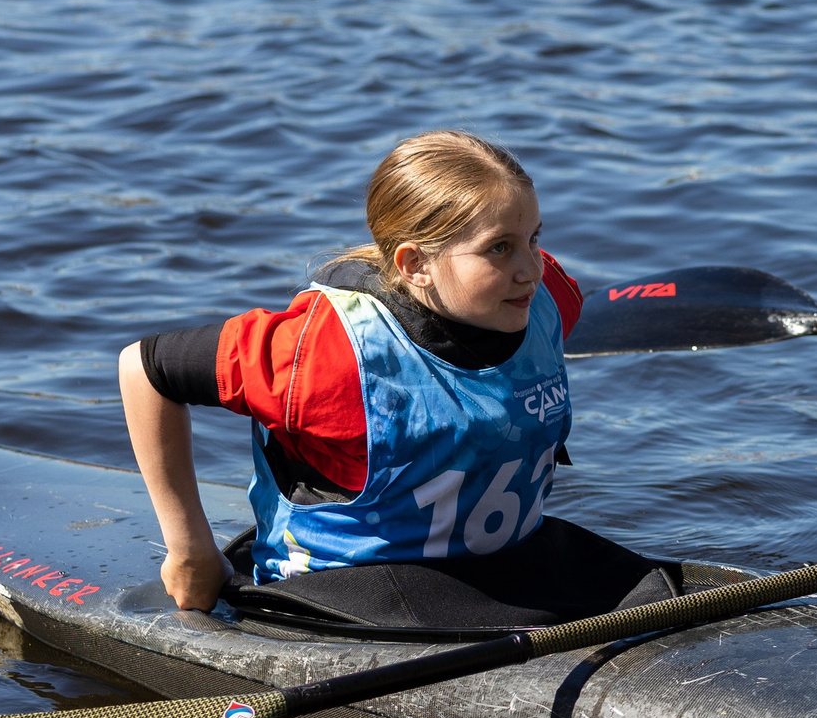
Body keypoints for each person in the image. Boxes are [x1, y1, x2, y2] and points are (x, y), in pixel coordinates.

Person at [120, 130, 674, 627]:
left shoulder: (544, 294)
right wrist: (190, 548)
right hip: (352, 590)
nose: (530, 268)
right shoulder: (322, 354)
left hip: (507, 564)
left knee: (665, 595)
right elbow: (145, 368)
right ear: (414, 265)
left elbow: (534, 281)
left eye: (533, 238)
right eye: (499, 248)